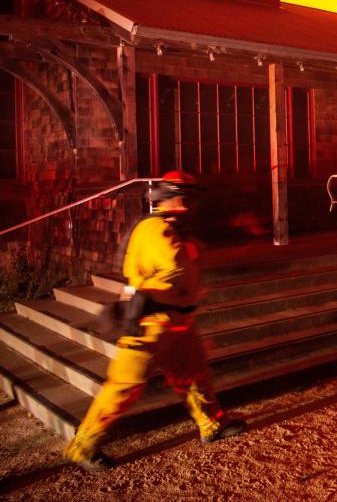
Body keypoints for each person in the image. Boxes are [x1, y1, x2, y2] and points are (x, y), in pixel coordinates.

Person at [63, 171, 245, 471]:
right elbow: (156, 276)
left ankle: (211, 424)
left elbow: (169, 275)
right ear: (169, 198)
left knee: (194, 376)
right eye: (185, 199)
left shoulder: (172, 230)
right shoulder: (154, 230)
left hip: (177, 322)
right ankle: (82, 446)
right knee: (123, 385)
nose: (189, 207)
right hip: (150, 323)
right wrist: (130, 305)